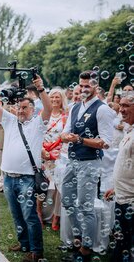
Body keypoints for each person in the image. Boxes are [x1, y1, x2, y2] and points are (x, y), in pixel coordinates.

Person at [0, 74, 52, 262]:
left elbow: (48, 108)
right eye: (18, 107)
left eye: (24, 107)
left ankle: (36, 251)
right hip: (8, 176)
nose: (20, 110)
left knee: (29, 215)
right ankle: (23, 243)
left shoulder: (38, 124)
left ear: (33, 109)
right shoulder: (9, 120)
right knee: (16, 213)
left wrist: (40, 88)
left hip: (26, 178)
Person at [60, 71, 114, 261]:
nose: (83, 89)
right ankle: (78, 237)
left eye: (87, 86)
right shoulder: (75, 107)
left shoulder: (102, 109)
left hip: (90, 162)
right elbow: (64, 133)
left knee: (85, 206)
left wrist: (80, 140)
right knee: (66, 200)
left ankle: (87, 248)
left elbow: (106, 142)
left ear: (96, 87)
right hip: (72, 161)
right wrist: (66, 137)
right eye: (81, 86)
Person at [103, 93, 134, 262]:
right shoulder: (129, 130)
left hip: (131, 202)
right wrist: (116, 188)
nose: (121, 109)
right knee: (121, 244)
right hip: (122, 199)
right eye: (120, 105)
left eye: (126, 106)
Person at [39, 88, 68, 231]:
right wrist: (42, 150)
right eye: (52, 97)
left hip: (57, 155)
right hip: (43, 154)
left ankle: (55, 216)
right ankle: (40, 214)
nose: (55, 100)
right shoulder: (43, 114)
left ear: (62, 99)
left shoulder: (65, 117)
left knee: (56, 187)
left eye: (57, 97)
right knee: (41, 184)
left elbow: (65, 136)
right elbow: (37, 134)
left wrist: (53, 151)